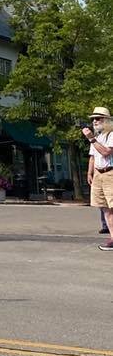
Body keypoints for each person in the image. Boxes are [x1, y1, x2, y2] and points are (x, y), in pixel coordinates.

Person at [82, 107, 113, 250]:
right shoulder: (98, 137)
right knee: (104, 208)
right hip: (99, 174)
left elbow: (106, 152)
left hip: (110, 173)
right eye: (93, 119)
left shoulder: (110, 134)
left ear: (106, 120)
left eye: (98, 118)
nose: (94, 121)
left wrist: (90, 138)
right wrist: (90, 173)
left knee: (112, 207)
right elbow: (93, 156)